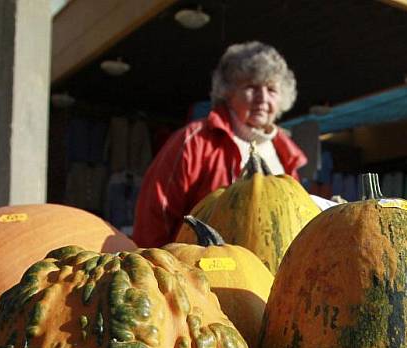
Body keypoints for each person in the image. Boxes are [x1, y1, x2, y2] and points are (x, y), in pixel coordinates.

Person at [132, 41, 308, 247]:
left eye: (271, 89)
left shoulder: (287, 155)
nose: (262, 98)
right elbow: (155, 216)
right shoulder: (194, 140)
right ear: (228, 92)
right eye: (251, 87)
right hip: (201, 272)